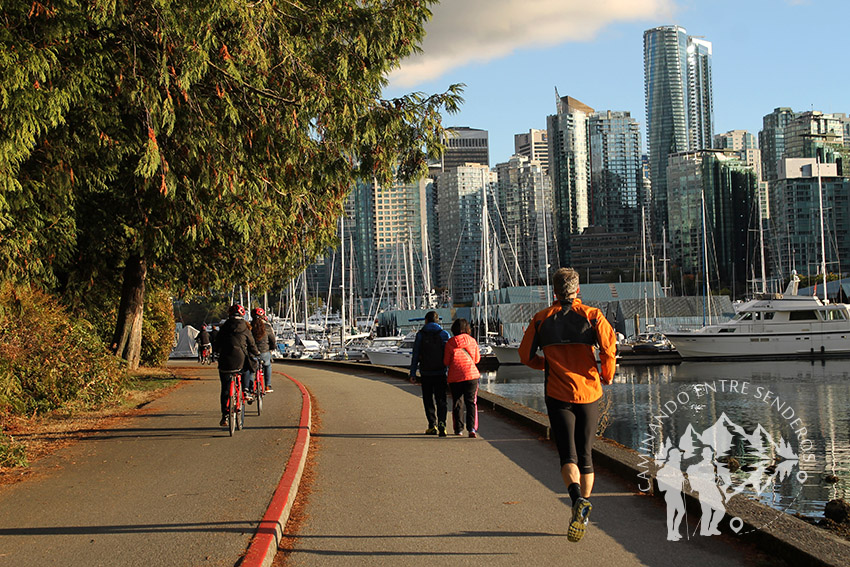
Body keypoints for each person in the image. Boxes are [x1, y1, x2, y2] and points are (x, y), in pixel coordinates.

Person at [518, 267, 617, 543]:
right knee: (586, 457)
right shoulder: (593, 316)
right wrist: (606, 375)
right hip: (588, 393)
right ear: (578, 291)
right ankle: (582, 507)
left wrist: (544, 364)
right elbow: (610, 349)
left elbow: (525, 355)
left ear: (553, 292)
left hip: (558, 395)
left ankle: (575, 500)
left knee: (567, 456)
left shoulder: (541, 320)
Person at [215, 304, 260, 426]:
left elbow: (217, 342)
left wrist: (216, 353)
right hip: (240, 359)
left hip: (225, 360)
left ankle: (225, 415)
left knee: (225, 388)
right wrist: (257, 353)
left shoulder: (224, 327)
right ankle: (246, 390)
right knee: (247, 367)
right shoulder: (245, 328)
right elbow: (251, 344)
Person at [409, 311, 450, 436]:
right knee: (441, 399)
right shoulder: (444, 334)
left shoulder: (420, 335)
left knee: (428, 399)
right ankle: (442, 423)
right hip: (440, 372)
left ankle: (432, 425)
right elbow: (448, 355)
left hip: (426, 372)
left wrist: (412, 373)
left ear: (426, 321)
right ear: (437, 321)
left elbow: (415, 354)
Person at [443, 318, 481, 437]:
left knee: (457, 402)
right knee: (471, 403)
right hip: (471, 375)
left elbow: (446, 362)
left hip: (455, 377)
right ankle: (472, 429)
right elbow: (476, 359)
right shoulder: (472, 341)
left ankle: (458, 429)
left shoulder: (450, 342)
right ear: (467, 328)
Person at [250, 307, 277, 393]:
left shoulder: (249, 326)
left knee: (250, 369)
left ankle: (249, 388)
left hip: (253, 352)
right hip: (264, 351)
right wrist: (272, 347)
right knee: (267, 365)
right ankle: (267, 385)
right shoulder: (267, 327)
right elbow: (272, 339)